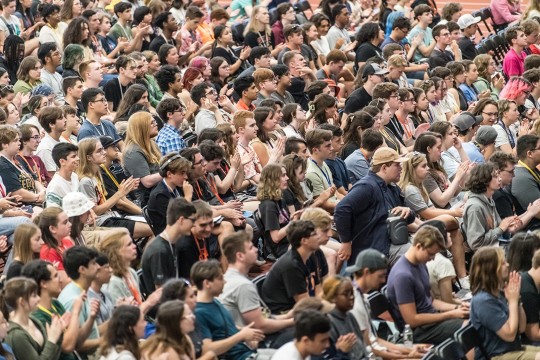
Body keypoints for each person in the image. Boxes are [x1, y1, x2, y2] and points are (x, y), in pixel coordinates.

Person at [335, 147, 419, 265]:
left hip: (394, 242)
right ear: (384, 168)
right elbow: (342, 209)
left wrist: (408, 211)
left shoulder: (392, 187)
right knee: (418, 255)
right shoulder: (366, 186)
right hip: (376, 247)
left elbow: (409, 218)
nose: (401, 169)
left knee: (432, 244)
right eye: (397, 165)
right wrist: (346, 242)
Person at [387, 225, 468, 345]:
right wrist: (450, 314)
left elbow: (431, 301)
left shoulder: (420, 264)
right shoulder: (403, 276)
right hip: (419, 331)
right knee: (469, 327)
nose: (433, 258)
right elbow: (412, 320)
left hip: (431, 321)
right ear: (419, 246)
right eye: (431, 254)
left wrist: (457, 308)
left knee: (474, 316)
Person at [219, 230, 294, 336]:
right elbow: (261, 326)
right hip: (244, 346)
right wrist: (293, 321)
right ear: (240, 256)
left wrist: (286, 317)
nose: (255, 249)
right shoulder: (242, 285)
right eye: (250, 248)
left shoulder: (229, 278)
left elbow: (260, 319)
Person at [469, 246, 540, 358]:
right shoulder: (483, 301)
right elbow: (510, 335)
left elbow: (521, 328)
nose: (507, 265)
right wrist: (512, 301)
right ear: (490, 268)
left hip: (512, 350)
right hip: (497, 356)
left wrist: (517, 300)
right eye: (502, 263)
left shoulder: (499, 292)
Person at [191, 260, 269, 360]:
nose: (225, 281)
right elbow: (208, 349)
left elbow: (227, 326)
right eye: (220, 278)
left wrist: (245, 331)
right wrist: (241, 336)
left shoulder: (215, 302)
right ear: (207, 283)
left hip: (247, 352)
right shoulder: (199, 313)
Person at [77, 137, 147, 237]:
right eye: (99, 151)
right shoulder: (85, 181)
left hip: (111, 216)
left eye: (103, 149)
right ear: (89, 157)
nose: (104, 152)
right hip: (102, 222)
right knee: (152, 228)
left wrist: (123, 191)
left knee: (153, 225)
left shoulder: (97, 174)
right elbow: (96, 211)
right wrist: (120, 193)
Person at [21, 259, 83, 360]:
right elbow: (67, 346)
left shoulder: (56, 304)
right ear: (43, 284)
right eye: (55, 276)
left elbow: (76, 340)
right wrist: (75, 312)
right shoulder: (37, 317)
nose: (61, 280)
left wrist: (92, 317)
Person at [261, 220, 322, 313]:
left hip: (301, 308)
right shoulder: (290, 266)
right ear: (304, 241)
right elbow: (304, 304)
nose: (319, 237)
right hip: (284, 314)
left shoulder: (311, 256)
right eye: (314, 234)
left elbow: (318, 291)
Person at [97, 229, 161, 312]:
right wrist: (149, 303)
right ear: (116, 251)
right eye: (129, 244)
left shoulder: (131, 272)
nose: (134, 246)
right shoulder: (113, 281)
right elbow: (123, 317)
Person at [141, 197, 196, 293]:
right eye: (192, 220)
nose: (194, 225)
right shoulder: (159, 250)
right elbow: (161, 292)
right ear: (181, 220)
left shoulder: (173, 243)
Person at [3, 277, 64, 360]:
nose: (39, 299)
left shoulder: (33, 320)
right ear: (22, 302)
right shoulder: (16, 335)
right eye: (34, 296)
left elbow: (53, 356)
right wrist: (52, 340)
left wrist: (58, 334)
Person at [58, 246, 100, 358]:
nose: (98, 267)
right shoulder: (73, 300)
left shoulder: (79, 290)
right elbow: (77, 344)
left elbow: (90, 332)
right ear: (82, 270)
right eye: (94, 264)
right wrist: (105, 341)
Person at [321, 276, 368, 359]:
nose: (352, 297)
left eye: (352, 293)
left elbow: (362, 346)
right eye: (346, 294)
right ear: (332, 298)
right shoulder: (328, 323)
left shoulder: (350, 316)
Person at [511, 134, 540, 231]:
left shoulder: (531, 169)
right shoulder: (521, 178)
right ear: (530, 154)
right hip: (533, 230)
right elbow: (538, 213)